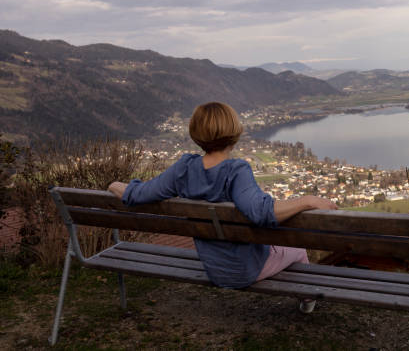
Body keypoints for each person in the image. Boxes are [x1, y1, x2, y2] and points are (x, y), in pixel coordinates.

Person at [108, 102, 337, 312]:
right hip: (246, 270)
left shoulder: (184, 169)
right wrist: (307, 200)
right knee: (296, 250)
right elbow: (260, 212)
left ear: (197, 135)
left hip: (215, 269)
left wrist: (115, 184)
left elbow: (138, 194)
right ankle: (307, 300)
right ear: (233, 134)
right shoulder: (236, 171)